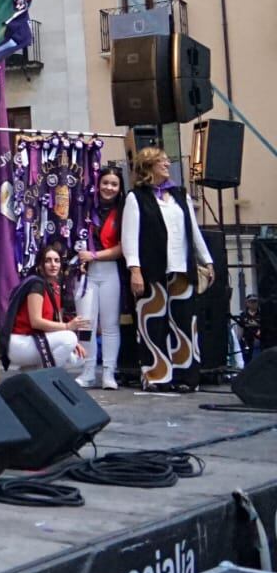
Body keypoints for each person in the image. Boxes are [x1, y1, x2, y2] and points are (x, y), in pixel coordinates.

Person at [122, 147, 213, 391]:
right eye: (161, 161)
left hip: (181, 268)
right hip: (152, 269)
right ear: (148, 167)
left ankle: (186, 378)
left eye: (167, 160)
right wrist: (135, 270)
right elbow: (130, 237)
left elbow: (193, 230)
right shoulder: (136, 197)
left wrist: (207, 260)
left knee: (185, 324)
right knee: (152, 324)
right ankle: (156, 376)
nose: (167, 165)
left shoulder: (179, 194)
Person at [76, 164, 125, 389]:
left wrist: (93, 255)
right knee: (86, 323)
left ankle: (108, 373)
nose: (109, 187)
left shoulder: (124, 211)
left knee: (110, 324)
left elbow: (122, 248)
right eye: (105, 182)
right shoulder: (85, 208)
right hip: (84, 273)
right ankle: (87, 371)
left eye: (114, 184)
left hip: (109, 270)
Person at [8, 243, 88, 371]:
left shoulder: (54, 287)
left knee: (78, 357)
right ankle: (43, 377)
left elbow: (56, 322)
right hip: (20, 342)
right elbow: (36, 322)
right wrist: (68, 327)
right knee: (69, 339)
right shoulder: (37, 285)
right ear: (40, 265)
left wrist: (75, 344)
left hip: (33, 341)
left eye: (56, 261)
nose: (53, 265)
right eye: (48, 261)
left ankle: (31, 373)